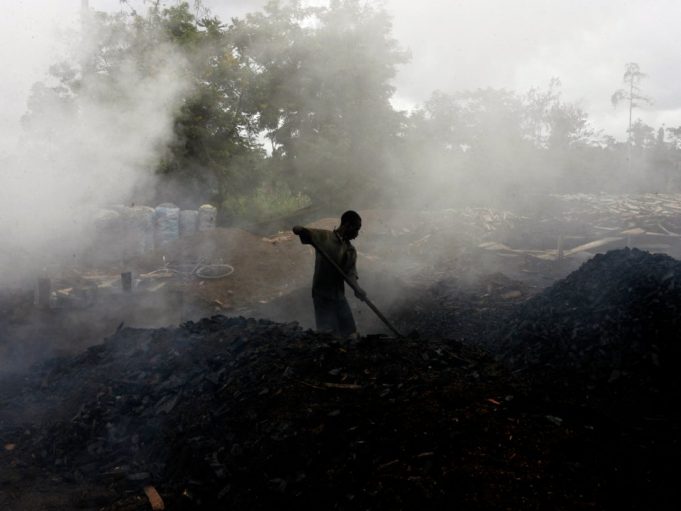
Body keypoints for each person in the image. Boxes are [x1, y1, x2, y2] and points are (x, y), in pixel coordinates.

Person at [293, 210, 367, 337]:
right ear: (346, 225)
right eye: (356, 229)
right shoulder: (324, 237)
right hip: (322, 296)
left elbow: (350, 273)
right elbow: (302, 231)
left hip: (339, 297)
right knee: (327, 334)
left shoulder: (350, 250)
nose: (357, 234)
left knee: (350, 332)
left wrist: (357, 288)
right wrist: (299, 229)